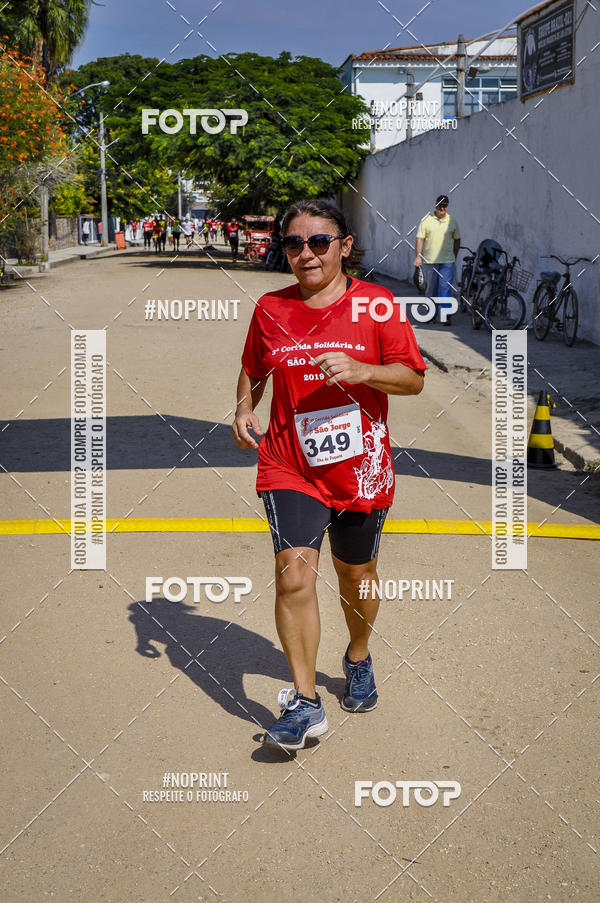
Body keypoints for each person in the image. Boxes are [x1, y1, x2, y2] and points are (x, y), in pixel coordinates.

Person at [232, 199, 426, 751]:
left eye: (319, 241)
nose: (306, 253)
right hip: (289, 462)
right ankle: (305, 702)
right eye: (293, 243)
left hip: (360, 468)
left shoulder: (378, 305)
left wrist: (366, 370)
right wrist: (244, 409)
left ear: (344, 245)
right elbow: (252, 368)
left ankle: (358, 654)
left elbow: (412, 379)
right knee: (294, 574)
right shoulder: (271, 307)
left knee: (356, 575)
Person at [414, 194, 460, 325]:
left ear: (447, 206)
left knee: (445, 288)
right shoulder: (426, 220)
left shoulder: (452, 221)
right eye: (440, 205)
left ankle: (445, 316)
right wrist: (418, 256)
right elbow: (420, 239)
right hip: (430, 261)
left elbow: (457, 239)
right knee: (431, 289)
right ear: (436, 205)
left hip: (447, 262)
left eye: (445, 205)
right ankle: (431, 315)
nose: (442, 208)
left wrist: (454, 255)